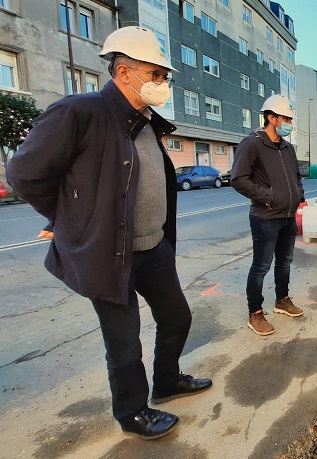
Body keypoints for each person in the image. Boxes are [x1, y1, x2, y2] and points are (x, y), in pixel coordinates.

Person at [6, 27, 211, 440]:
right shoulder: (79, 113)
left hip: (154, 248)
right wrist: (68, 218)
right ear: (123, 71)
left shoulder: (147, 122)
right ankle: (132, 412)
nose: (163, 84)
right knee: (124, 343)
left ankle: (167, 381)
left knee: (177, 317)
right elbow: (23, 174)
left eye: (164, 76)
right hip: (109, 252)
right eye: (156, 74)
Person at [231, 94, 305, 336]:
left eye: (290, 119)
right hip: (265, 217)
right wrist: (269, 197)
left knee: (285, 262)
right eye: (286, 118)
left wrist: (298, 195)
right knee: (261, 266)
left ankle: (282, 300)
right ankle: (255, 313)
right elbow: (238, 179)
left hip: (288, 216)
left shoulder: (288, 148)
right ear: (271, 118)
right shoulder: (252, 143)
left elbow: (296, 177)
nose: (289, 123)